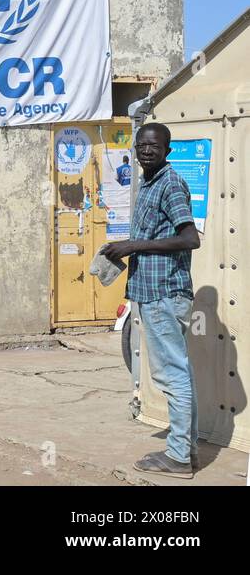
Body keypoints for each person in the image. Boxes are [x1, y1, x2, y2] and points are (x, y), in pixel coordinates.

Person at [103, 122, 202, 479]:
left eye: (154, 146)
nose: (146, 150)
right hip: (151, 292)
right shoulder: (148, 183)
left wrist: (133, 246)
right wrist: (121, 251)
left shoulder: (171, 184)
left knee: (171, 375)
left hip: (164, 295)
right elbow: (156, 236)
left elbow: (190, 238)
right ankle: (185, 449)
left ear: (167, 150)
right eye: (142, 145)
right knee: (180, 374)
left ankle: (177, 458)